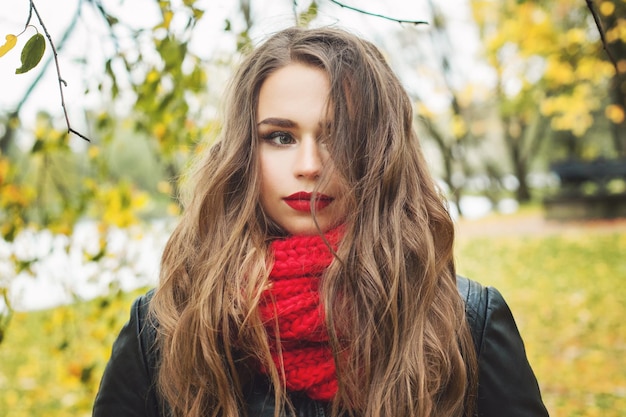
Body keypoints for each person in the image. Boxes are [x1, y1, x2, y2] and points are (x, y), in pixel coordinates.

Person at [92, 26, 549, 417]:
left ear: (380, 154)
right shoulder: (166, 327)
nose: (309, 165)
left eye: (338, 136)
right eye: (280, 137)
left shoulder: (465, 323)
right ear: (244, 155)